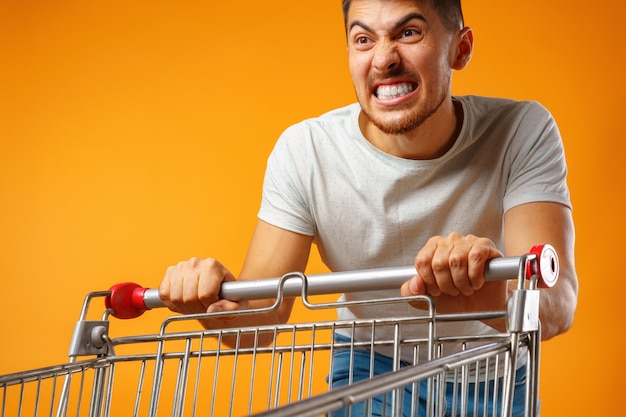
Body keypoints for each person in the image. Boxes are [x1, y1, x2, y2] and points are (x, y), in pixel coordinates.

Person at [158, 0, 578, 415]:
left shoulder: (522, 132)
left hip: (496, 371)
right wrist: (209, 304)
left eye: (408, 32)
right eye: (363, 39)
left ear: (460, 49)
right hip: (370, 365)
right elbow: (258, 322)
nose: (383, 59)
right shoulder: (306, 153)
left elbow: (557, 304)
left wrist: (488, 299)